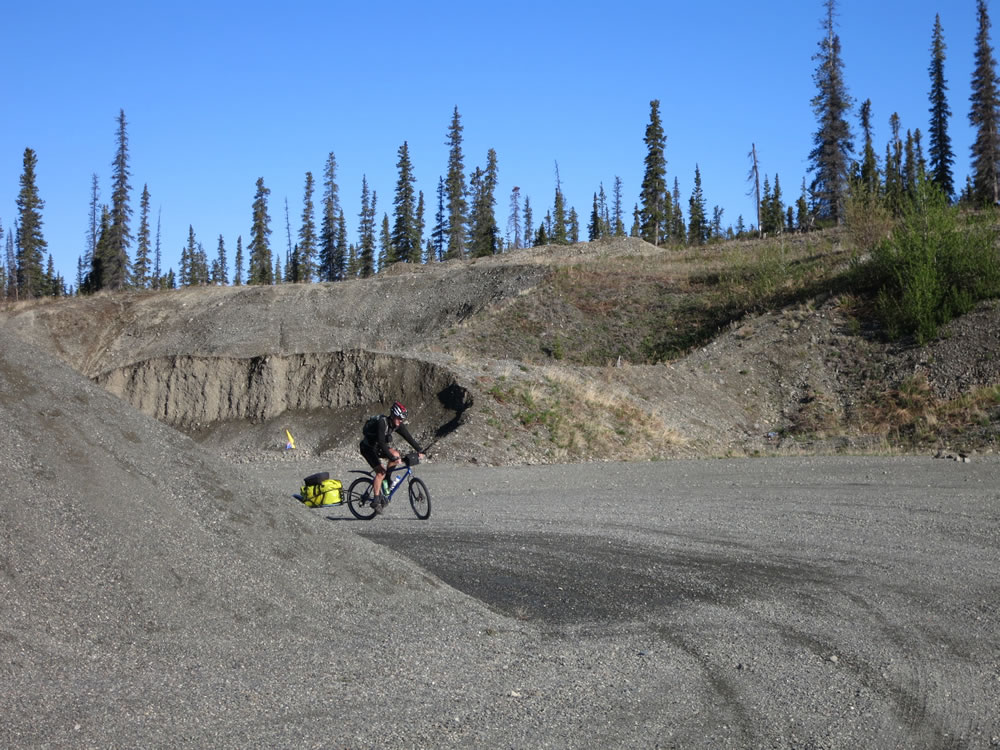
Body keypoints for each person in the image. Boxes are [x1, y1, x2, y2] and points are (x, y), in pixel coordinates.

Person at [360, 401, 425, 514]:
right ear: (394, 415)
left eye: (402, 419)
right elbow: (381, 442)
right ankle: (375, 501)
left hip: (378, 448)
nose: (401, 421)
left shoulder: (397, 425)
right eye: (399, 418)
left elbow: (408, 437)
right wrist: (391, 457)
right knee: (380, 472)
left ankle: (387, 479)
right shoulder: (382, 422)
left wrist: (420, 450)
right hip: (368, 448)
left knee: (396, 455)